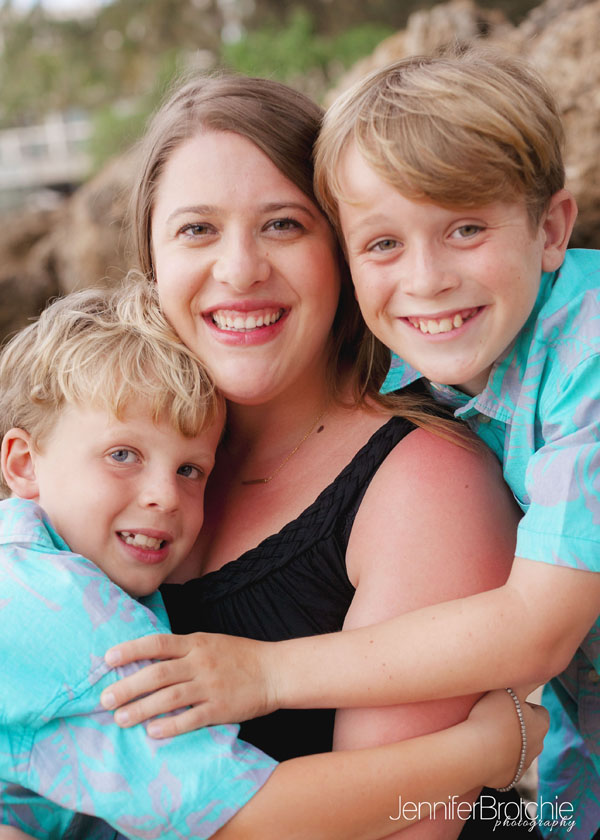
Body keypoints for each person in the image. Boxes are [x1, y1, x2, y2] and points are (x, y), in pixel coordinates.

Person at [103, 53, 599, 838]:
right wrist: (484, 752)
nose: (239, 268)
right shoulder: (94, 452)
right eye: (197, 228)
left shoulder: (436, 468)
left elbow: (536, 630)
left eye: (283, 224)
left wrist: (264, 673)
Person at [0, 279, 548, 840]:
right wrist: (483, 751)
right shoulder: (57, 603)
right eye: (123, 455)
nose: (165, 495)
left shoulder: (46, 566)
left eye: (191, 469)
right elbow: (248, 820)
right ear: (23, 463)